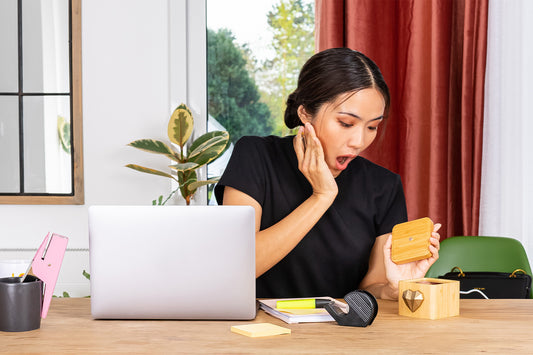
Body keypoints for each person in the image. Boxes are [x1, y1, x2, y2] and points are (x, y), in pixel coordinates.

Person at [214, 47, 440, 300]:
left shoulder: (383, 186)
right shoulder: (256, 156)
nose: (359, 141)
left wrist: (392, 289)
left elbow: (370, 289)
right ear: (305, 113)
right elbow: (238, 266)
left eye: (373, 126)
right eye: (346, 123)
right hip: (259, 332)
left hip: (343, 333)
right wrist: (321, 196)